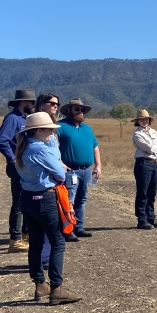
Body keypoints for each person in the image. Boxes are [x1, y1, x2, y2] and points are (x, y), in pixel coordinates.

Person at [14, 112, 81, 305]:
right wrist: (53, 148)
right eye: (50, 129)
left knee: (35, 243)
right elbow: (60, 173)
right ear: (39, 130)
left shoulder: (25, 147)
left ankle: (40, 284)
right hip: (46, 199)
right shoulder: (40, 149)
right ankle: (57, 288)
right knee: (57, 242)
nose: (53, 132)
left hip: (27, 198)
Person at [0, 89, 36, 253]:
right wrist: (13, 159)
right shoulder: (13, 119)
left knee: (26, 202)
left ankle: (25, 237)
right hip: (18, 167)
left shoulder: (23, 119)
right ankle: (15, 240)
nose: (33, 105)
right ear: (23, 102)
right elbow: (2, 141)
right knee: (19, 204)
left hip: (25, 167)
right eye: (31, 102)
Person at [57, 98, 101, 239]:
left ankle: (78, 227)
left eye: (82, 110)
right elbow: (52, 147)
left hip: (86, 170)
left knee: (81, 200)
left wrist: (98, 165)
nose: (80, 112)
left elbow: (95, 147)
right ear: (69, 110)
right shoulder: (60, 127)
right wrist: (60, 163)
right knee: (69, 200)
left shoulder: (87, 129)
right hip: (70, 171)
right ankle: (67, 229)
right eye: (77, 109)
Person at [33, 93, 63, 262]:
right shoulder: (36, 123)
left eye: (57, 104)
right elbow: (43, 153)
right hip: (46, 179)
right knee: (48, 222)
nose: (55, 106)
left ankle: (45, 255)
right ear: (41, 103)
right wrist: (56, 169)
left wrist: (60, 164)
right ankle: (45, 257)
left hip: (54, 175)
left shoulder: (52, 123)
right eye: (51, 103)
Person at [131, 109, 157, 230]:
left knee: (152, 192)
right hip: (143, 163)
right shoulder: (137, 134)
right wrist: (154, 148)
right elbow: (147, 148)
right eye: (141, 119)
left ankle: (151, 218)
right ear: (137, 121)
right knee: (143, 192)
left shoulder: (154, 132)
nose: (144, 121)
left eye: (146, 119)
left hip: (155, 164)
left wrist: (154, 148)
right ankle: (142, 220)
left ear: (149, 120)